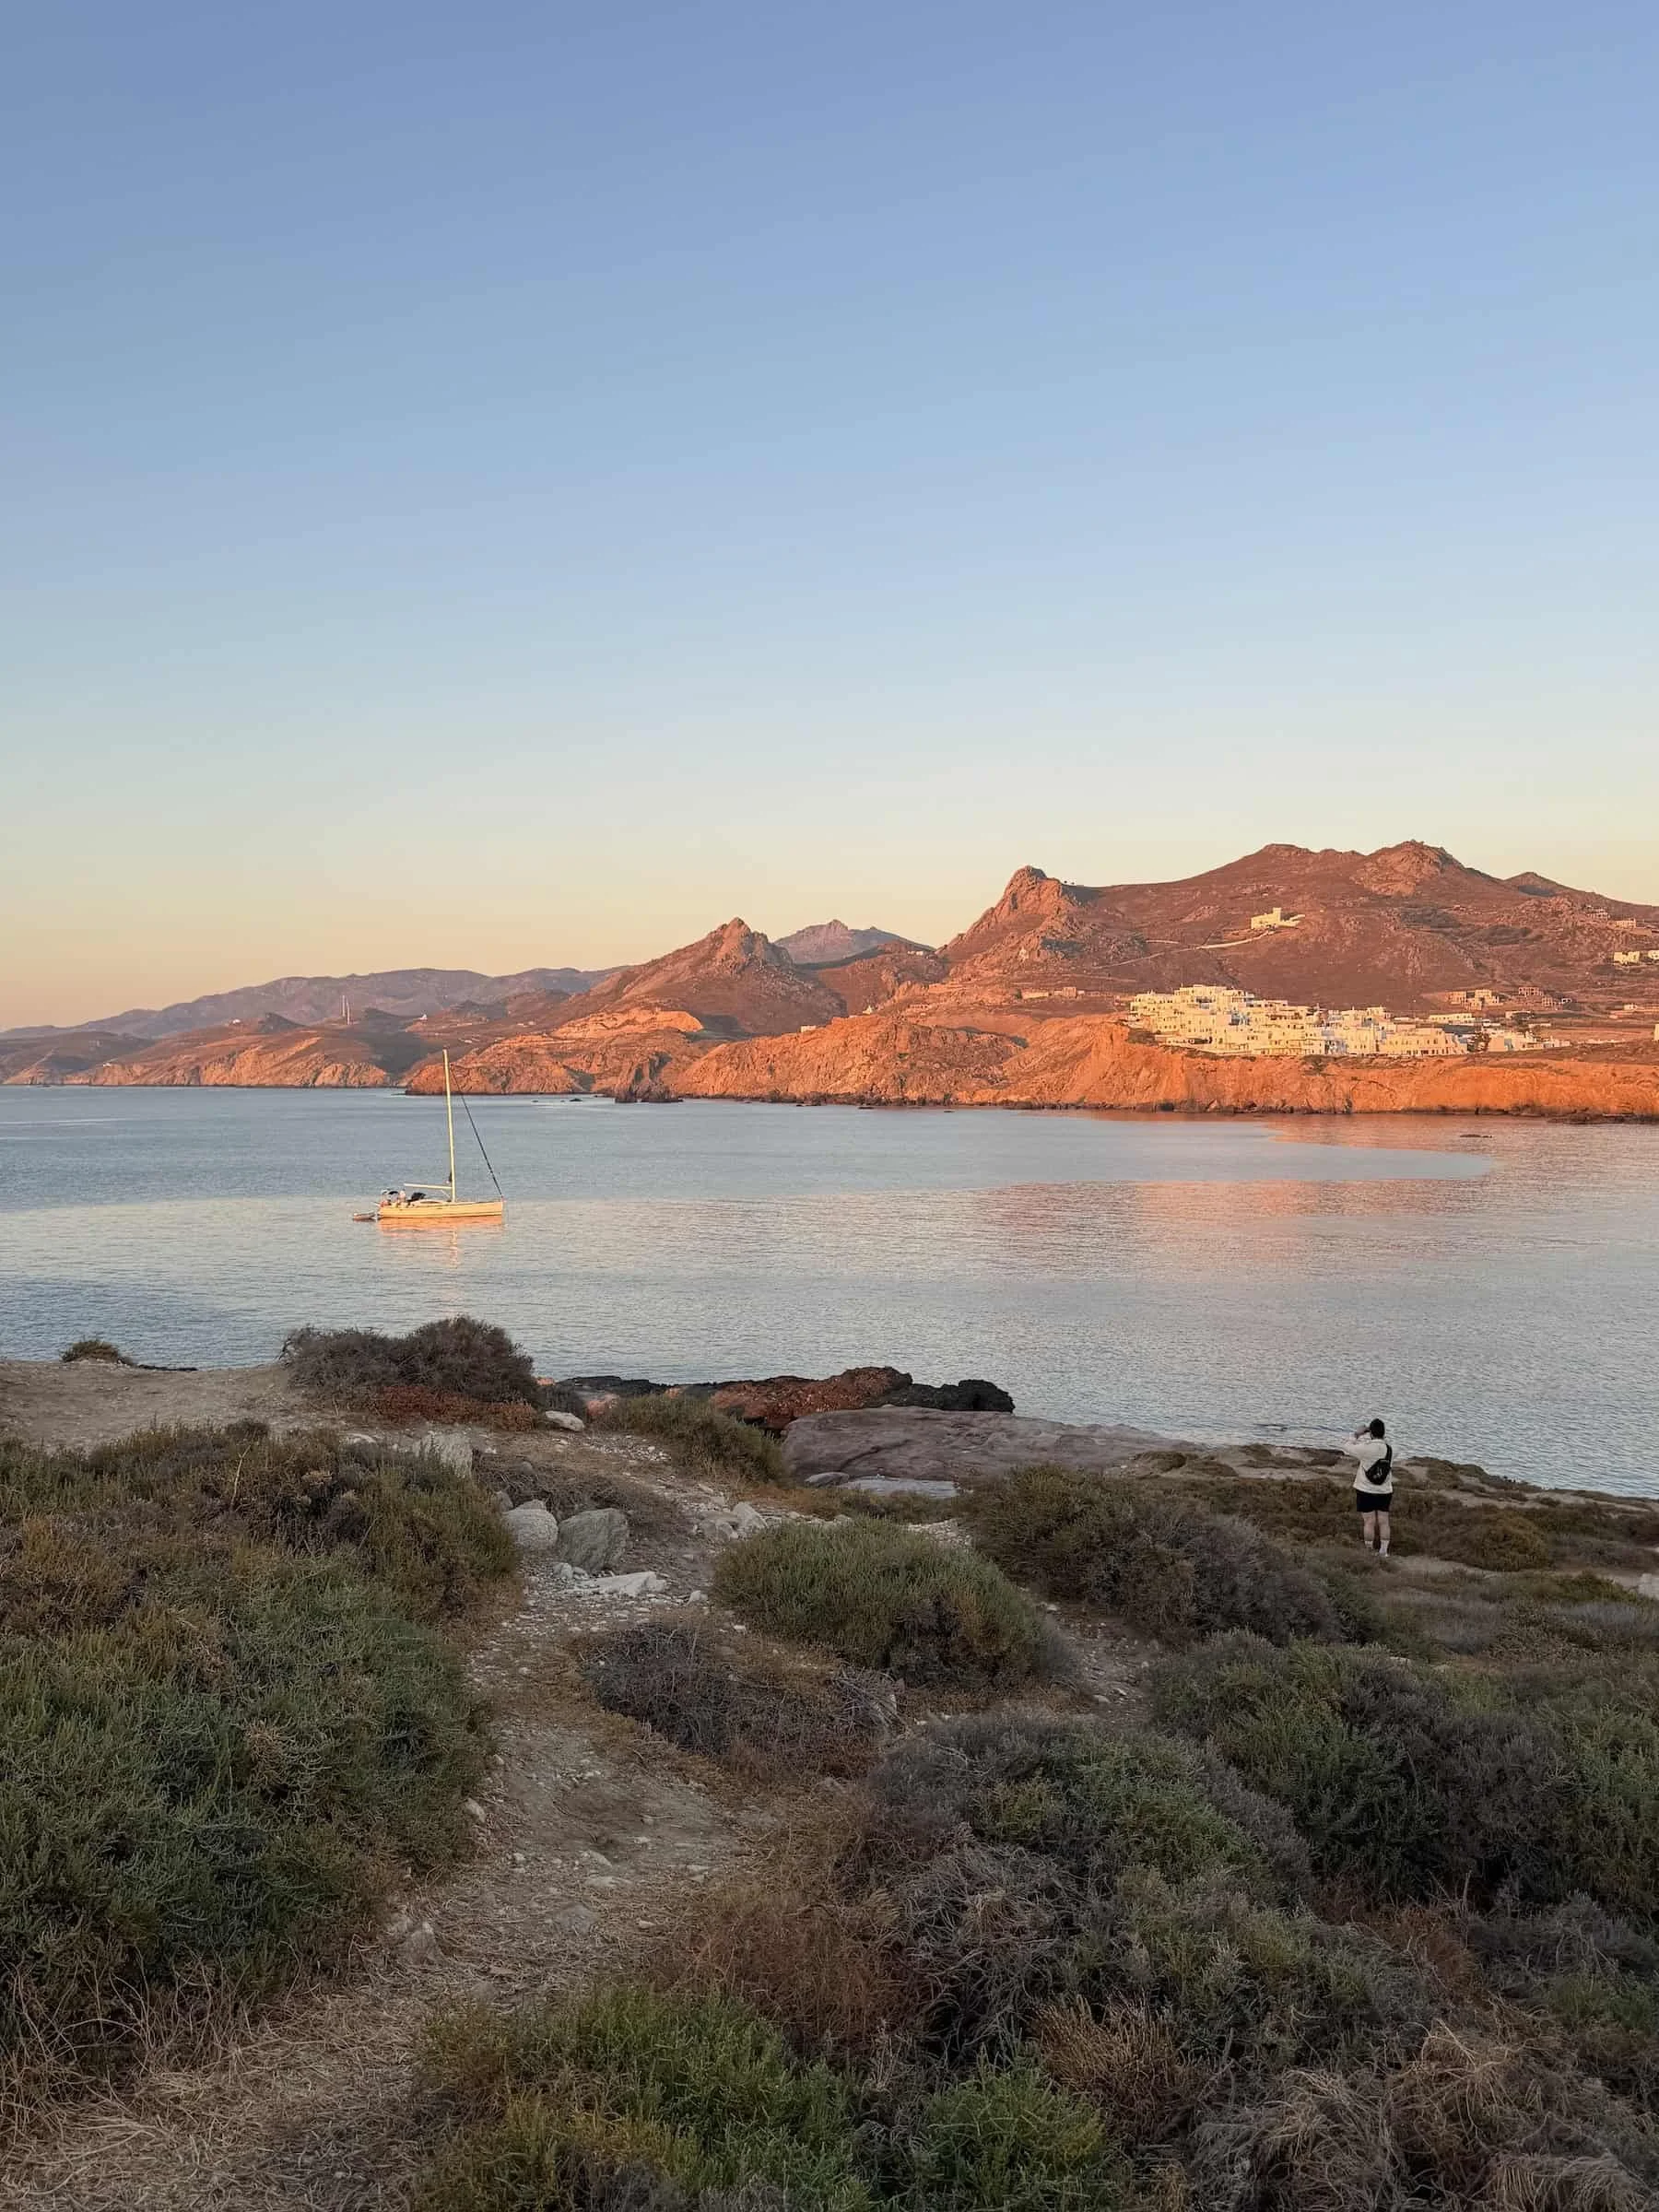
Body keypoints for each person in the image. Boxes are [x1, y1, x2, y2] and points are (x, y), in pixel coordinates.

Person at [1347, 1418, 1394, 1556]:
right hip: (1385, 1491)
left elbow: (1347, 1447)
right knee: (1384, 1521)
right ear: (1384, 1433)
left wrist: (1357, 1435)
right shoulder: (1390, 1449)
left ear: (1370, 1433)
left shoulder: (1366, 1448)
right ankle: (1384, 1552)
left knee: (1369, 1522)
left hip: (1365, 1489)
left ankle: (1369, 1551)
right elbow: (1389, 1445)